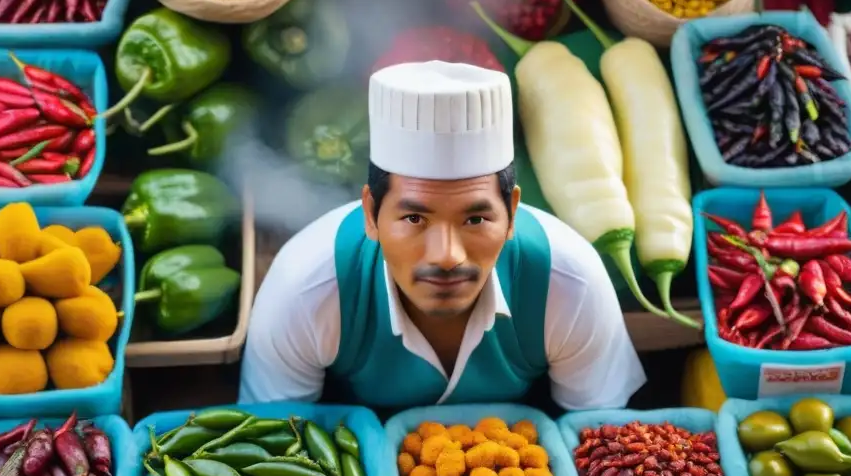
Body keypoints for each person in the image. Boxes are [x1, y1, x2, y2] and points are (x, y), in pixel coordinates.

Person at [240, 60, 645, 410]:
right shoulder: (305, 289)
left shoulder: (569, 282)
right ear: (371, 214)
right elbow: (275, 441)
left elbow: (598, 439)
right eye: (415, 219)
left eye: (475, 220)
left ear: (512, 214)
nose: (447, 256)